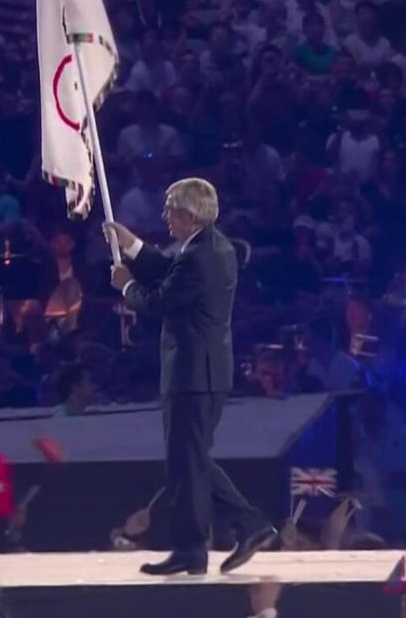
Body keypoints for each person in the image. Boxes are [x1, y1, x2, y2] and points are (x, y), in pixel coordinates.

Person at [105, 177, 274, 576]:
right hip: (200, 372)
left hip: (195, 373)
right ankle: (199, 546)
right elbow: (168, 270)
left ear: (187, 214)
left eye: (169, 210)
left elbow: (160, 300)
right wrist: (133, 247)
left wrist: (126, 285)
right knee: (189, 462)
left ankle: (235, 530)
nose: (164, 216)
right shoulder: (207, 247)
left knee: (189, 461)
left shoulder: (201, 256)